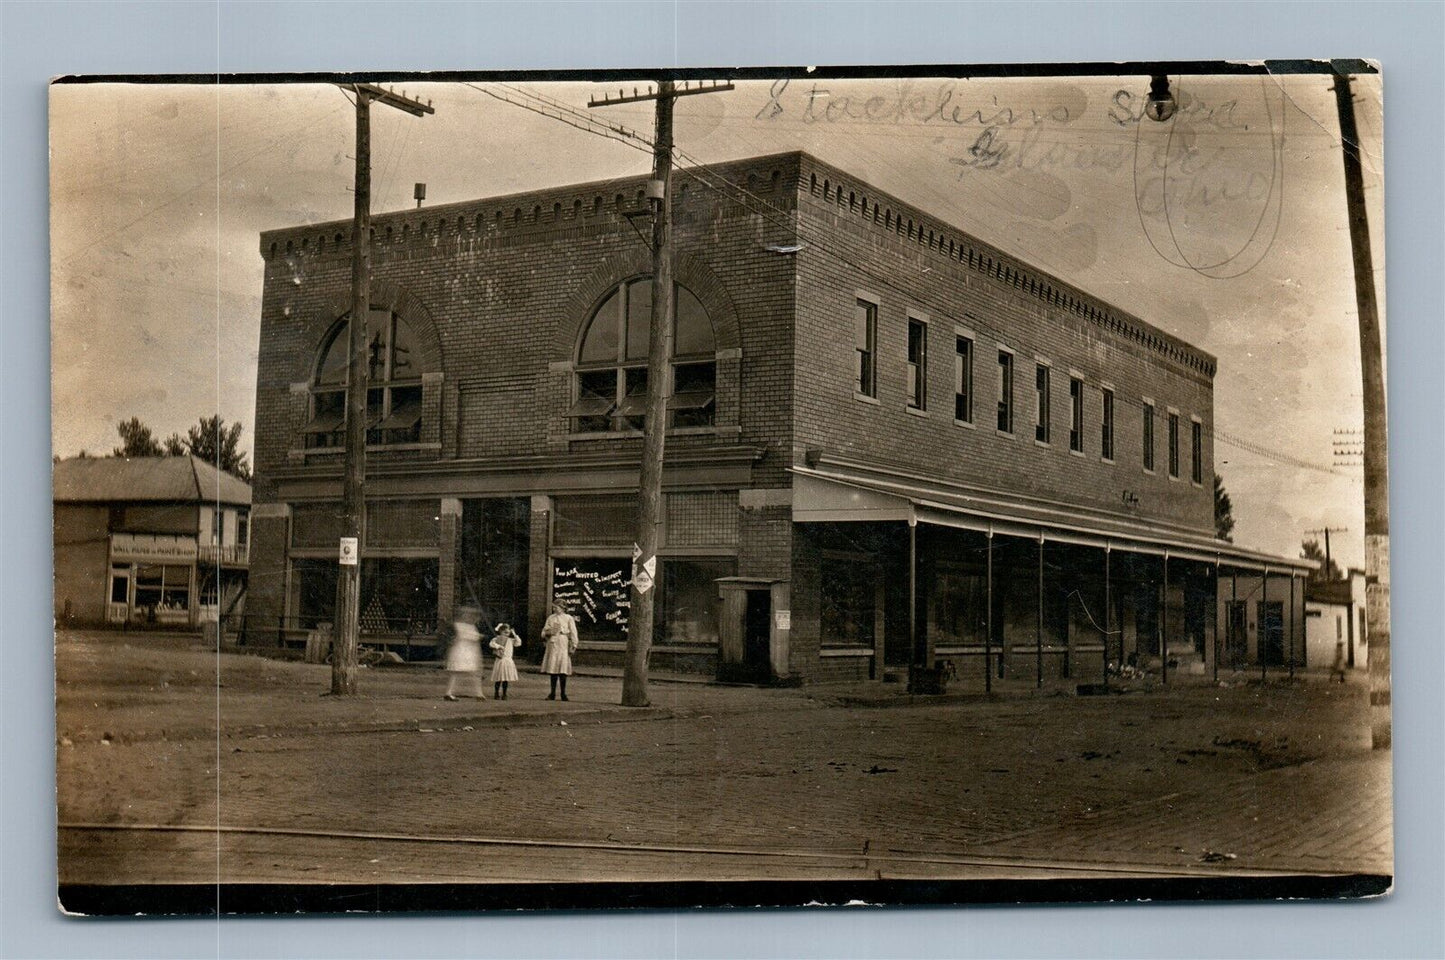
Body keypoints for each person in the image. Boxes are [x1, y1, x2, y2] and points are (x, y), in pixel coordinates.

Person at [443, 604, 486, 701]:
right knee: (474, 674)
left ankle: (450, 692)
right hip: (464, 652)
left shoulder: (465, 625)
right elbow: (469, 636)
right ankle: (479, 694)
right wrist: (479, 636)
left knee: (459, 673)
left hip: (463, 651)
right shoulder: (462, 626)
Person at [540, 600, 579, 701]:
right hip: (553, 643)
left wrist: (574, 645)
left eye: (556, 607)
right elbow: (544, 631)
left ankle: (563, 693)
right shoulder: (551, 618)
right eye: (553, 607)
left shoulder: (568, 618)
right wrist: (548, 633)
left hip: (563, 643)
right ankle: (552, 693)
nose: (554, 609)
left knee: (562, 669)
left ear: (563, 608)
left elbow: (573, 632)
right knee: (553, 668)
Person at [489, 622, 521, 700]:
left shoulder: (510, 640)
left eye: (508, 633)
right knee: (498, 678)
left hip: (507, 660)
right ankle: (496, 693)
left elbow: (518, 643)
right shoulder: (496, 639)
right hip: (500, 660)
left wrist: (514, 634)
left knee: (505, 679)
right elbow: (491, 644)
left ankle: (504, 694)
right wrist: (499, 646)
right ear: (500, 631)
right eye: (504, 632)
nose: (506, 634)